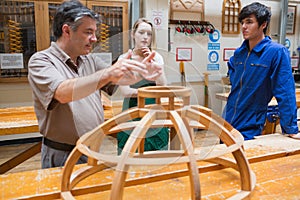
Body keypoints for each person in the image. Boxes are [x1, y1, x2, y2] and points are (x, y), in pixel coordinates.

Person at [27, 0, 163, 169]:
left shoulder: (88, 59)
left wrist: (142, 73)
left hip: (93, 149)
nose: (94, 38)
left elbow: (118, 78)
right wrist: (108, 73)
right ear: (67, 31)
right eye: (88, 32)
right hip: (63, 154)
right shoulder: (41, 61)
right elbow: (62, 92)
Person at [222, 2, 300, 140]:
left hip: (249, 127)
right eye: (242, 22)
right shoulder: (239, 53)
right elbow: (234, 83)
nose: (244, 27)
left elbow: (285, 91)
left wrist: (290, 128)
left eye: (249, 22)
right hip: (227, 123)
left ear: (263, 24)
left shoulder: (276, 52)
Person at [117, 18, 169, 154]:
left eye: (149, 34)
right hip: (131, 109)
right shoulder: (124, 58)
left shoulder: (157, 57)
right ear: (133, 34)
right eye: (141, 32)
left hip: (154, 111)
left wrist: (154, 65)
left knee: (156, 154)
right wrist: (150, 92)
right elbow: (126, 92)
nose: (146, 37)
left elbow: (162, 87)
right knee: (129, 153)